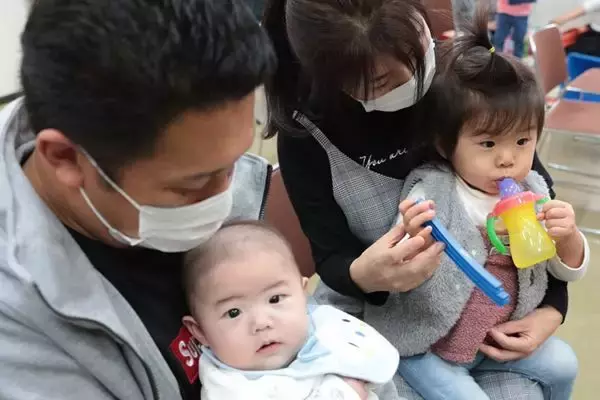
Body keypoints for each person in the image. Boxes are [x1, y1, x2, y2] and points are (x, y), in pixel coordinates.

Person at [263, 0, 571, 398]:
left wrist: (552, 308)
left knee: (553, 371)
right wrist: (365, 275)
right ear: (331, 77)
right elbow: (331, 257)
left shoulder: (466, 75)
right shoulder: (309, 134)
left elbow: (536, 196)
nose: (413, 78)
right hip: (386, 321)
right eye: (379, 81)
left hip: (493, 312)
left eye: (417, 49)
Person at [0, 0, 275, 399]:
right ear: (65, 158)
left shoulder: (177, 139)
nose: (224, 200)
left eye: (234, 164)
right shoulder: (21, 340)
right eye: (192, 185)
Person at [394, 13, 588, 400]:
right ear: (445, 145)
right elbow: (402, 264)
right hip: (433, 346)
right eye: (487, 144)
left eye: (522, 142)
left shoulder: (533, 191)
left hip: (494, 337)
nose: (507, 160)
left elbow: (563, 269)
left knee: (564, 363)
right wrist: (410, 236)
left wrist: (567, 237)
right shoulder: (434, 192)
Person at [181, 221, 400, 400]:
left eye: (275, 299)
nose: (261, 322)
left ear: (303, 294)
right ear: (200, 332)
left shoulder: (326, 329)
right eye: (234, 313)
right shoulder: (229, 389)